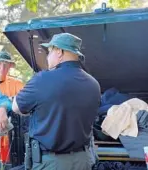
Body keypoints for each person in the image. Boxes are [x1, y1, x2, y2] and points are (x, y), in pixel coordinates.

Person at [12, 33, 101, 170]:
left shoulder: (42, 80)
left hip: (52, 163)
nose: (47, 57)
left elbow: (16, 107)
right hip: (85, 160)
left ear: (59, 51)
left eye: (49, 52)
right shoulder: (93, 83)